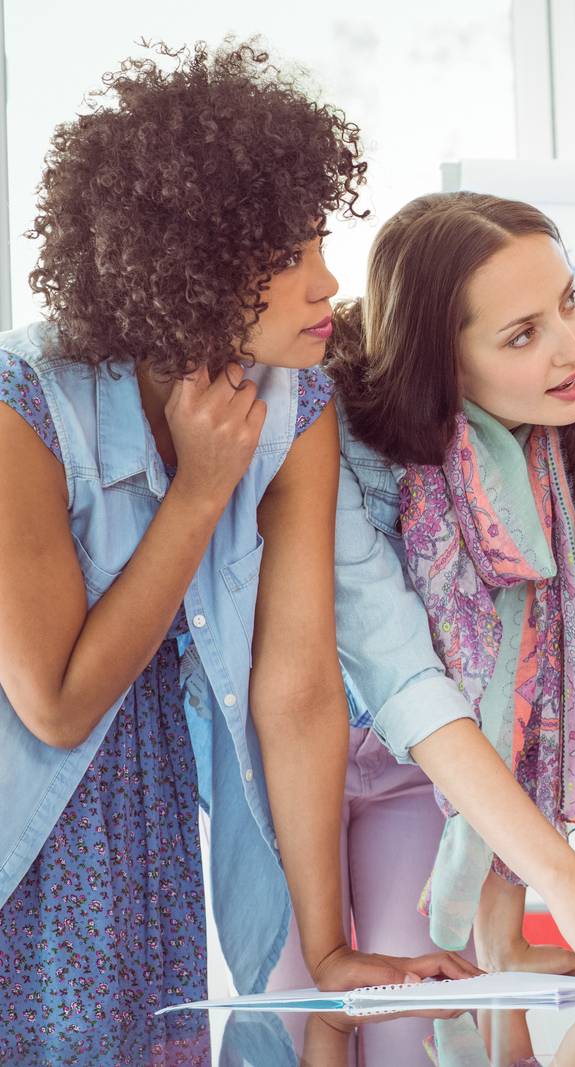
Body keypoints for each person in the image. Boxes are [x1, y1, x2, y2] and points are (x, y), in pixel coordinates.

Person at [0, 41, 466, 1065]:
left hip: (148, 815)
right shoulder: (21, 403)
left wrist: (329, 944)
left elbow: (296, 692)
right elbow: (55, 700)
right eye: (292, 252)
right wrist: (201, 492)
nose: (329, 281)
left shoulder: (292, 403)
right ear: (192, 262)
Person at [324, 191, 575, 986]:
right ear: (443, 361)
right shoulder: (348, 446)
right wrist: (570, 888)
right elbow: (413, 680)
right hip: (329, 741)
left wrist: (524, 925)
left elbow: (522, 681)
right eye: (523, 334)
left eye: (569, 301)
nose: (572, 347)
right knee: (324, 1016)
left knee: (430, 1020)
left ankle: (501, 941)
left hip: (434, 779)